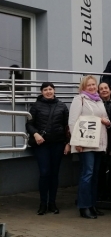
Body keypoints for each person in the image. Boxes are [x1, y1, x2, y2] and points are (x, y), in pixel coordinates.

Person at [69, 75, 111, 219]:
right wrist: (76, 142)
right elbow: (72, 122)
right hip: (85, 143)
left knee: (94, 176)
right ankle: (84, 206)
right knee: (87, 174)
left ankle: (92, 205)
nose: (92, 87)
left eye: (94, 85)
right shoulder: (79, 99)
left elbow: (105, 118)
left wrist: (107, 122)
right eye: (89, 85)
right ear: (84, 87)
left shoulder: (98, 100)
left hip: (98, 143)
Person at [26, 82, 70, 215]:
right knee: (44, 173)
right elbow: (29, 124)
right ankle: (43, 203)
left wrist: (68, 143)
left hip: (58, 144)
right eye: (45, 90)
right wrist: (36, 134)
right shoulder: (36, 106)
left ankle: (52, 203)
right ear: (41, 92)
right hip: (42, 145)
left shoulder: (62, 106)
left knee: (54, 174)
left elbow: (67, 126)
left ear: (54, 90)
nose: (48, 91)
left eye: (50, 89)